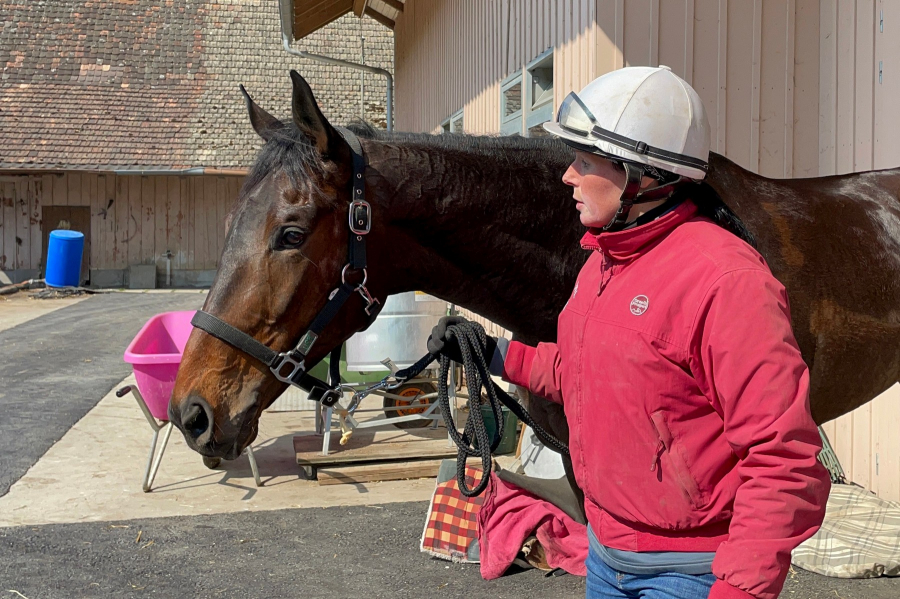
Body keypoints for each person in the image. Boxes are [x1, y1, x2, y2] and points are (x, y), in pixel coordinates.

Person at [427, 66, 830, 599]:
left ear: (643, 174)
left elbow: (783, 456)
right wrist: (492, 353)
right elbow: (588, 370)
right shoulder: (603, 260)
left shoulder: (726, 281)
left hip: (690, 573)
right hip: (606, 556)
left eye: (584, 161)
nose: (567, 176)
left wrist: (742, 588)